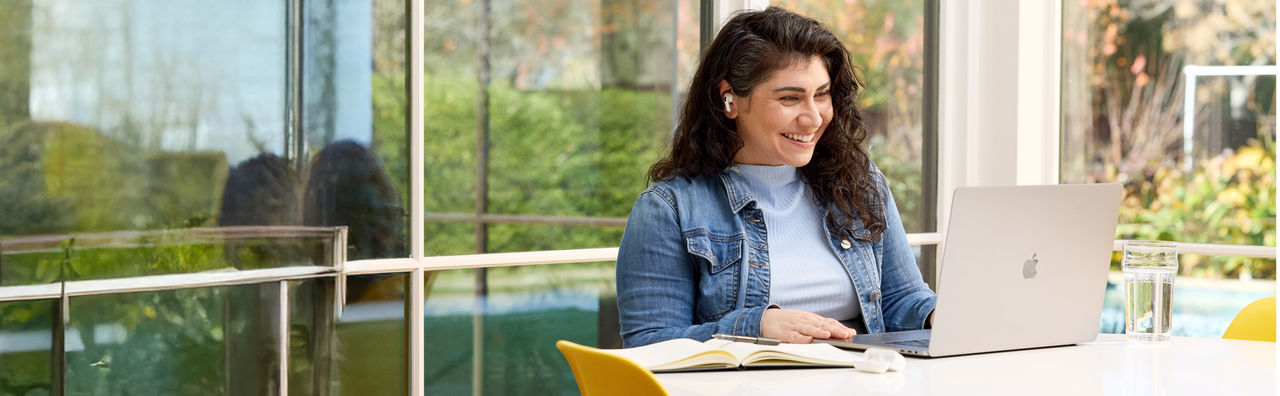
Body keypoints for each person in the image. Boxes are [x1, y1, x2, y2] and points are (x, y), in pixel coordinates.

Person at [616, 7, 936, 348]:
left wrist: (941, 315)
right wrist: (757, 325)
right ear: (730, 99)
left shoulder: (859, 182)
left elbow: (902, 299)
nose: (813, 118)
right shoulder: (669, 210)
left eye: (822, 95)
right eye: (790, 98)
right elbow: (648, 344)